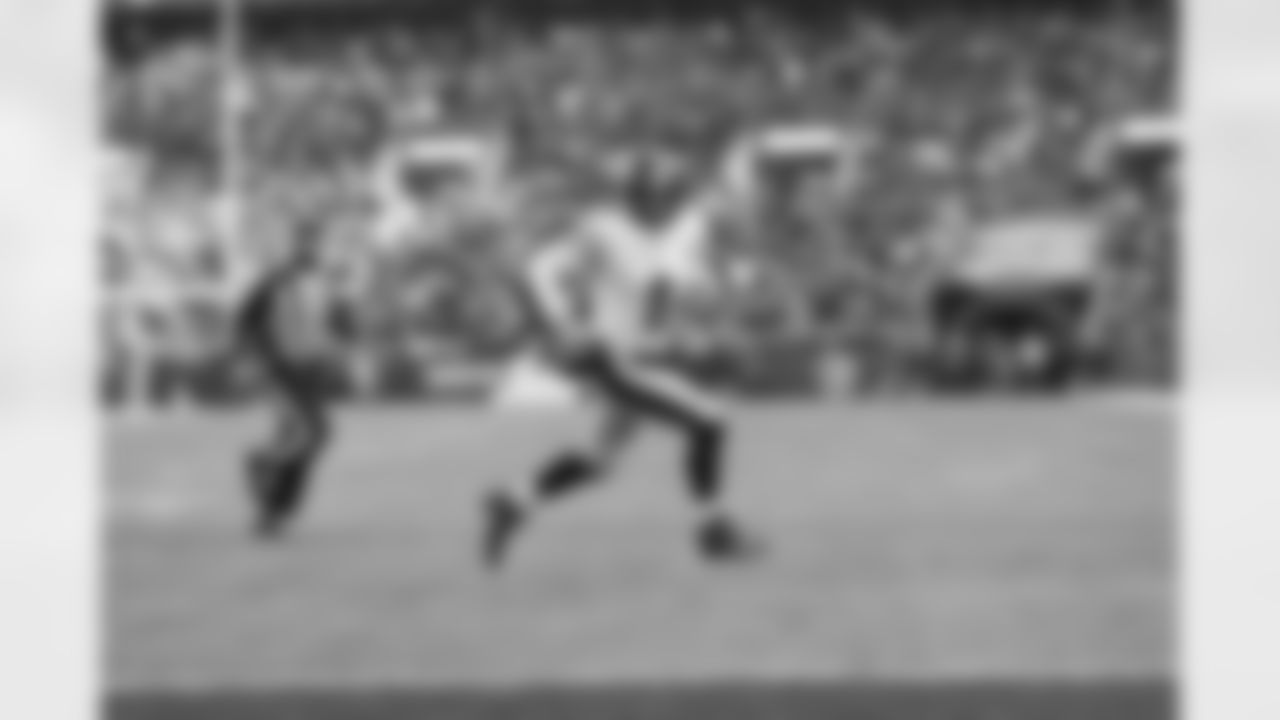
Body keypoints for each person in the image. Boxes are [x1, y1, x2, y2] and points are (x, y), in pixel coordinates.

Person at [481, 149, 761, 569]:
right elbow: (552, 270)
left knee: (600, 462)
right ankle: (713, 531)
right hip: (617, 359)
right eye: (665, 193)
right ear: (644, 195)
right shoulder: (612, 228)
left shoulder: (630, 232)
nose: (670, 202)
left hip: (624, 354)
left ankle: (513, 502)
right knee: (709, 422)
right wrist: (564, 327)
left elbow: (647, 294)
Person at [235, 218, 336, 540]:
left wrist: (326, 351)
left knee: (305, 438)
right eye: (308, 242)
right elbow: (245, 322)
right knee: (311, 434)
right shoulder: (275, 281)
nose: (314, 249)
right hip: (282, 370)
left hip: (309, 370)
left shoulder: (317, 279)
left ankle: (274, 513)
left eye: (317, 242)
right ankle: (262, 467)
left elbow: (313, 323)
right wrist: (255, 361)